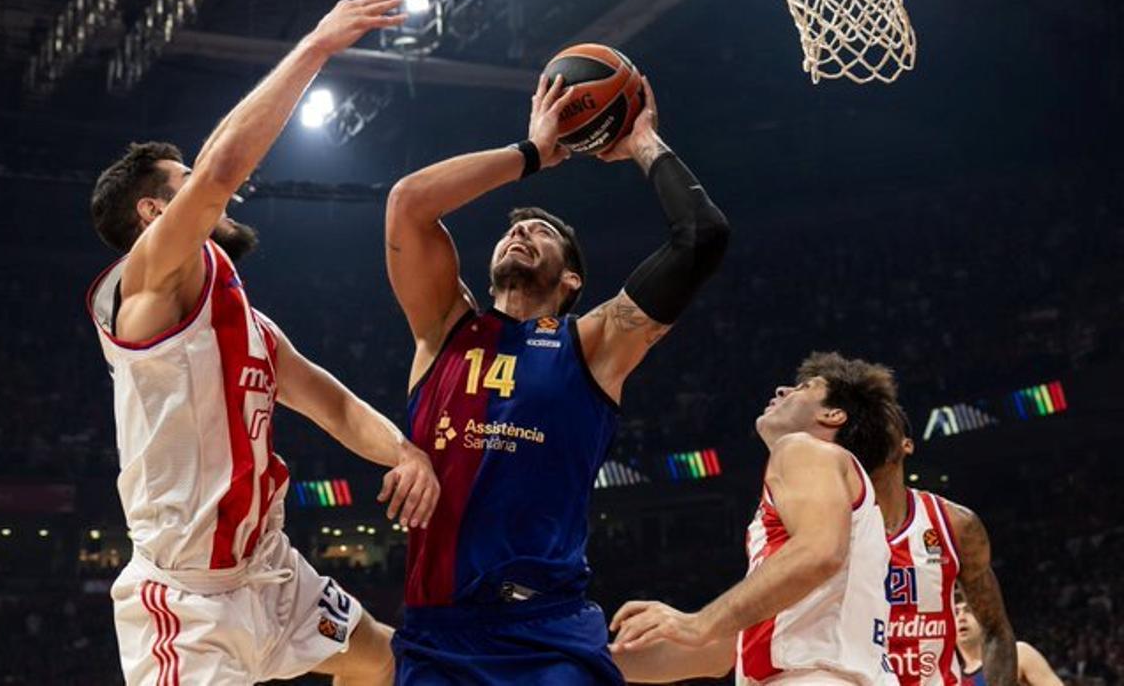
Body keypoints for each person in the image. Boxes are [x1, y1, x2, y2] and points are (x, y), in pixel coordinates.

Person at [86, 0, 440, 686]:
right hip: (187, 605)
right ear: (156, 211)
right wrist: (316, 45)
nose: (220, 192)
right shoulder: (147, 285)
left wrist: (408, 454)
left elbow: (332, 406)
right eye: (183, 183)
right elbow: (221, 173)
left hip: (273, 575)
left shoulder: (245, 322)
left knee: (396, 665)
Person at [383, 73, 730, 684]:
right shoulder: (443, 328)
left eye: (541, 231)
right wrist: (531, 155)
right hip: (439, 634)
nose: (520, 230)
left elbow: (702, 237)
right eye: (513, 227)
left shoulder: (593, 345)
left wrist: (642, 138)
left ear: (572, 280)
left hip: (548, 632)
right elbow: (409, 202)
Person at [609, 352, 900, 686]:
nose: (781, 390)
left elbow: (819, 551)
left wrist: (699, 623)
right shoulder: (834, 512)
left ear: (832, 414)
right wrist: (585, 660)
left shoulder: (803, 449)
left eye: (803, 387)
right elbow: (718, 655)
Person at [871, 406, 1019, 685]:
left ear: (907, 444)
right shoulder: (833, 526)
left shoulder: (956, 524)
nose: (872, 428)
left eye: (881, 420)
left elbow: (996, 630)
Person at [955, 599, 1062, 686]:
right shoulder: (950, 678)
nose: (961, 618)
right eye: (955, 613)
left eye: (968, 610)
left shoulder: (1017, 654)